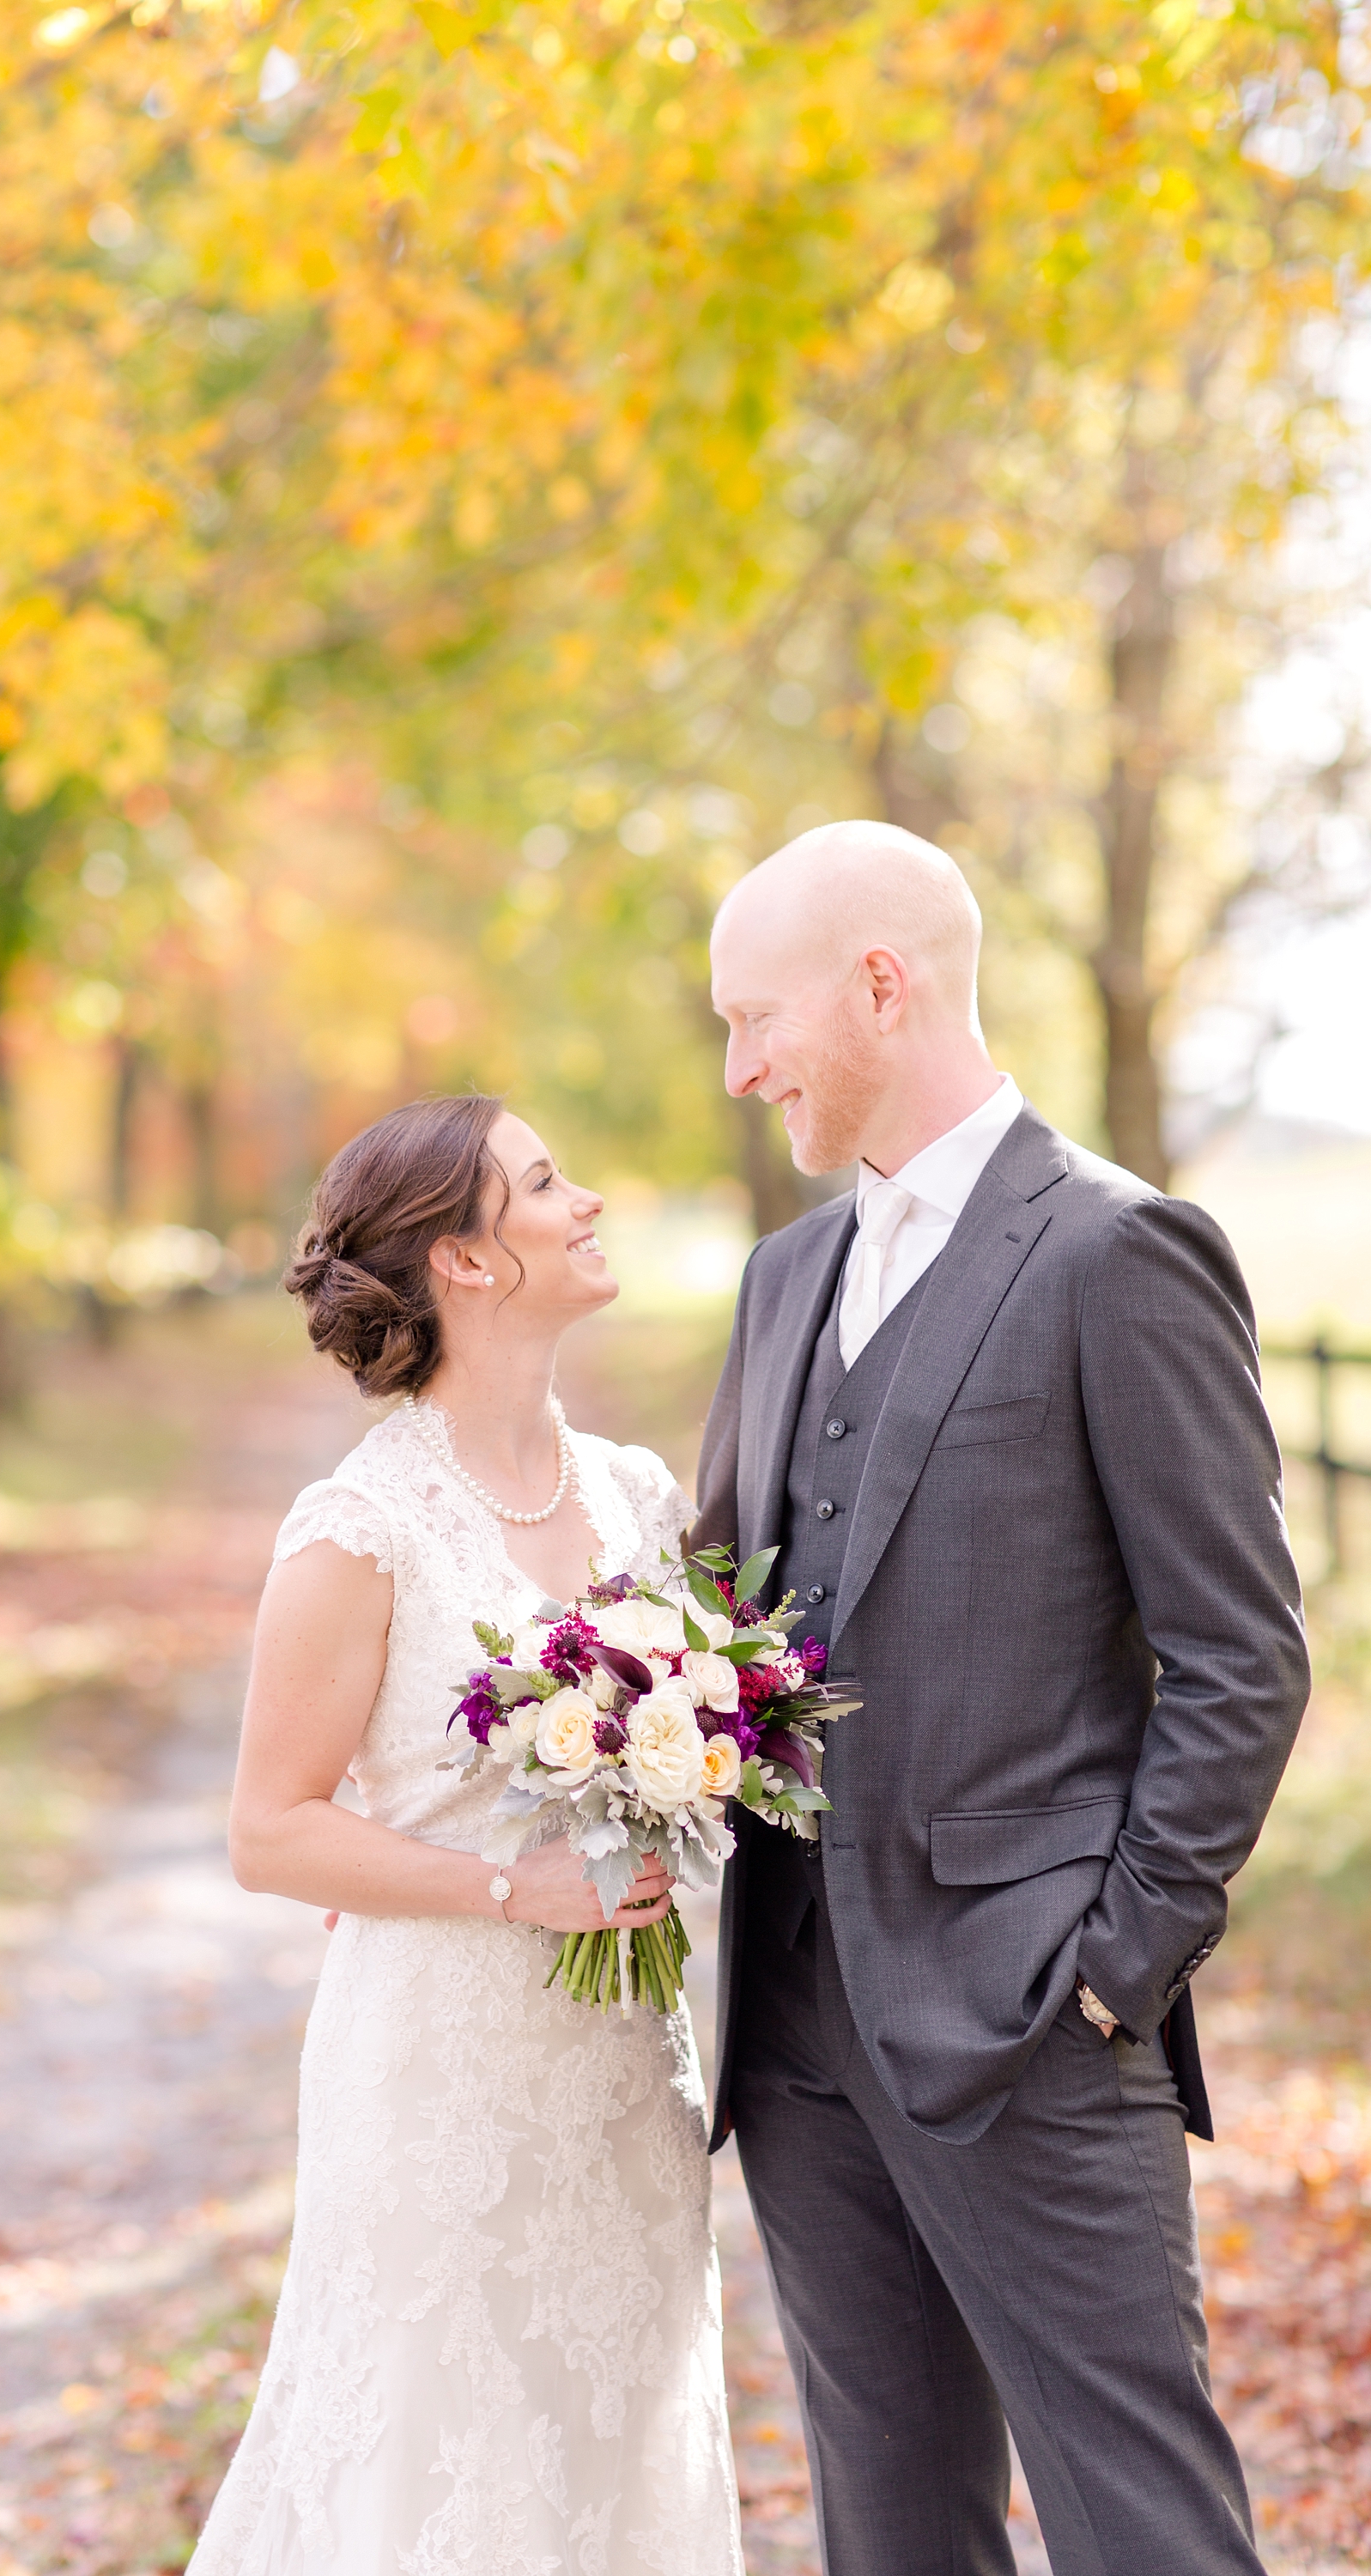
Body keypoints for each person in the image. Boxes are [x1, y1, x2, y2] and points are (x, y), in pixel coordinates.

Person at [695, 818, 1308, 2576]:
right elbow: (730, 1611)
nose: (740, 1070)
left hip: (1031, 2023)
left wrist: (1116, 1967)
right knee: (890, 2535)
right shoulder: (781, 1279)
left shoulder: (1116, 1253)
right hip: (797, 2036)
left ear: (880, 985)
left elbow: (1239, 1652)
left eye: (757, 1020)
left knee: (1142, 2529)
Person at [191, 1095, 743, 2576]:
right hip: (441, 2087)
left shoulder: (638, 1495)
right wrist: (512, 1888)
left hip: (631, 2077)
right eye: (548, 1183)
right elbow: (270, 1831)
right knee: (448, 2479)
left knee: (617, 2452)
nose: (589, 1202)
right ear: (467, 1263)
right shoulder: (355, 1531)